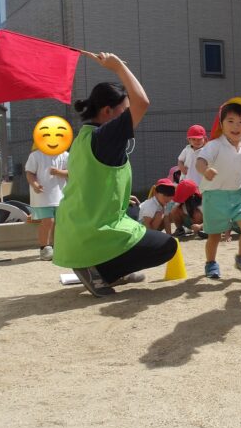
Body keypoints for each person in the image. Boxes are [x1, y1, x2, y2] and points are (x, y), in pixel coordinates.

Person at [53, 52, 178, 297]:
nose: (130, 114)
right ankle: (101, 271)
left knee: (132, 212)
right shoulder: (106, 135)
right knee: (167, 246)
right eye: (125, 110)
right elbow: (142, 102)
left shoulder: (84, 137)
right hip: (91, 232)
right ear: (108, 111)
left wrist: (119, 196)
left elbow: (89, 180)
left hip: (75, 226)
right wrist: (118, 66)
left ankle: (108, 268)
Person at [195, 97, 241, 279]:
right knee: (214, 235)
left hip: (238, 195)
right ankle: (211, 263)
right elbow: (200, 162)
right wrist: (205, 171)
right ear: (221, 124)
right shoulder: (214, 145)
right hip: (214, 196)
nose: (236, 126)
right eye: (230, 121)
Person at [25, 146, 69, 260]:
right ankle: (45, 248)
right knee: (48, 222)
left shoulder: (65, 155)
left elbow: (70, 172)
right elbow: (30, 173)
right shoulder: (35, 155)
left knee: (59, 223)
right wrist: (35, 185)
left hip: (61, 196)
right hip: (42, 197)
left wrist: (59, 172)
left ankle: (56, 247)